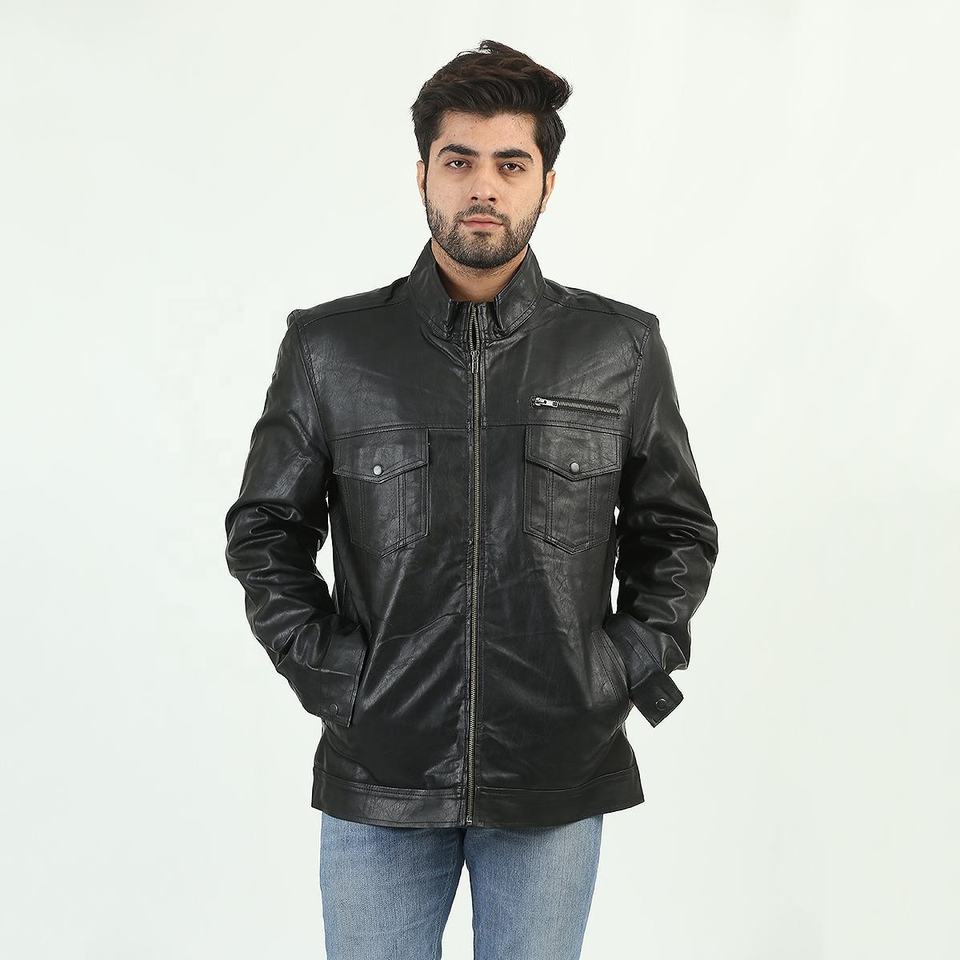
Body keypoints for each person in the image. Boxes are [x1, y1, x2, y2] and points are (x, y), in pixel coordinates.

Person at [224, 38, 719, 960]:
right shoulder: (332, 349)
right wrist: (339, 680)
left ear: (547, 184)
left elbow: (677, 534)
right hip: (380, 774)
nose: (483, 186)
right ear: (423, 174)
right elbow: (265, 532)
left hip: (555, 775)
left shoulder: (620, 350)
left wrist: (611, 674)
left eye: (510, 164)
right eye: (459, 161)